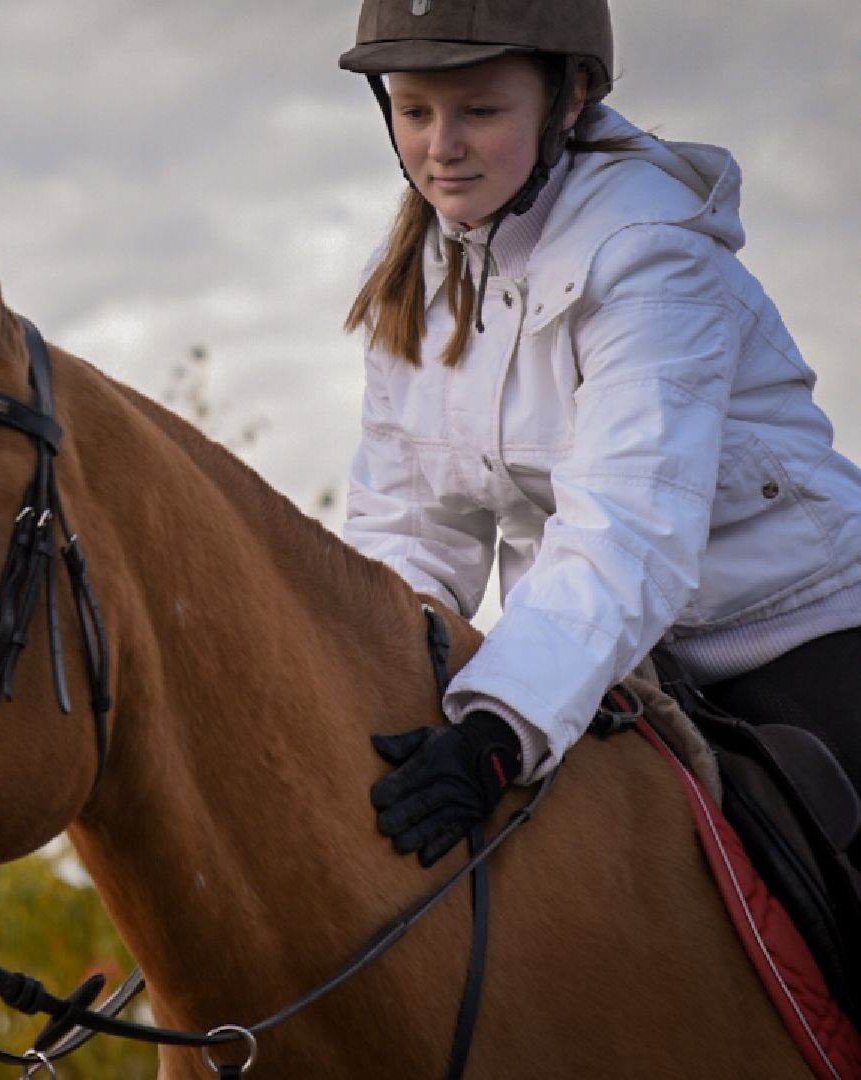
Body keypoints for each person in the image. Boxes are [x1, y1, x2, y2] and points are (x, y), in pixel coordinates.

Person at [334, 0, 861, 868]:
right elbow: (410, 531)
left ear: (568, 96)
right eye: (414, 110)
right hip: (607, 650)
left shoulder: (653, 254)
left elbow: (630, 525)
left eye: (480, 110)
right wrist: (349, 679)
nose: (440, 146)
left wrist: (503, 723)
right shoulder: (411, 281)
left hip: (785, 632)